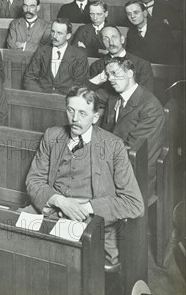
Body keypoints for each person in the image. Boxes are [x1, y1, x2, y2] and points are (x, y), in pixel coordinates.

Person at [25, 86, 144, 265]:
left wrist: (87, 207)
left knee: (63, 260)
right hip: (50, 210)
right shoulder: (52, 135)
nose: (74, 119)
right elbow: (33, 181)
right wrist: (59, 201)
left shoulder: (113, 146)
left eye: (82, 113)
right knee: (11, 235)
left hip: (91, 222)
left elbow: (134, 204)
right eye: (70, 110)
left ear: (95, 117)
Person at [101, 57, 165, 199]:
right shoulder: (115, 97)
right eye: (108, 74)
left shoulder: (149, 106)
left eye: (115, 73)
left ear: (130, 73)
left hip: (136, 174)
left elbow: (138, 153)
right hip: (116, 162)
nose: (110, 78)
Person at [87, 25, 154, 106]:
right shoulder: (97, 66)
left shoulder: (142, 65)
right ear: (102, 43)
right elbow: (90, 96)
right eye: (106, 39)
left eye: (114, 37)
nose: (111, 43)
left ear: (122, 39)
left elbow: (146, 97)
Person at [23, 19, 89, 94]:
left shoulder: (79, 55)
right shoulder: (41, 51)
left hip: (66, 100)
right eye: (52, 31)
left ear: (68, 36)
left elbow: (80, 84)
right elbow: (29, 78)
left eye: (59, 33)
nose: (54, 36)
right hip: (42, 97)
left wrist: (61, 97)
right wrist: (42, 95)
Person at [125, 0, 175, 65]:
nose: (132, 16)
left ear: (145, 13)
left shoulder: (162, 29)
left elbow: (169, 56)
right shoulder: (131, 33)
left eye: (136, 12)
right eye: (129, 14)